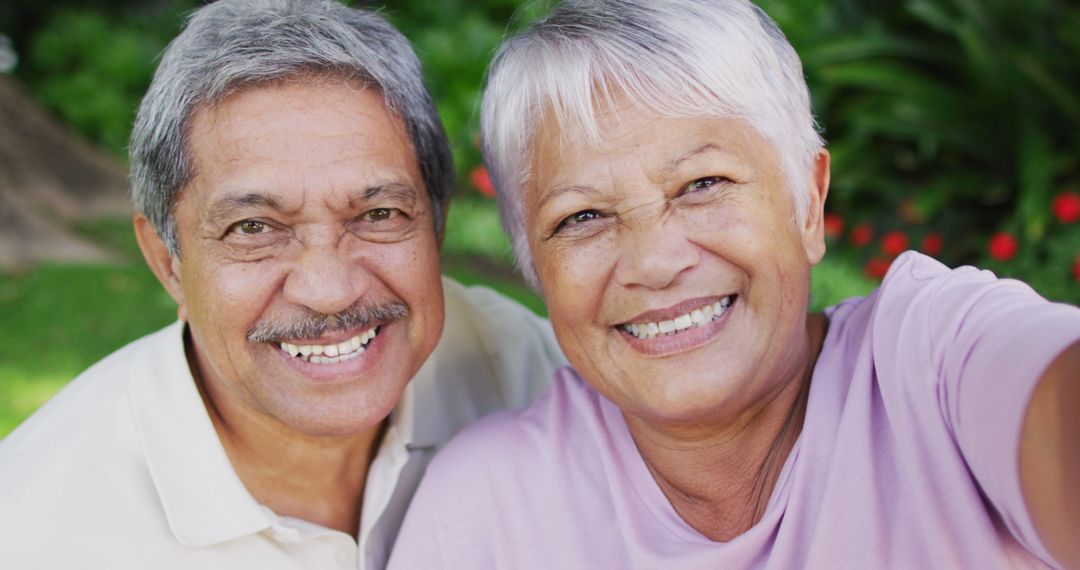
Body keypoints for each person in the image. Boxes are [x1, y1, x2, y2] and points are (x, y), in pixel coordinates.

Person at [388, 0, 1080, 568]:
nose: (654, 261)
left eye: (702, 184)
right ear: (535, 266)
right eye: (583, 217)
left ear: (807, 202)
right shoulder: (489, 511)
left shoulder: (934, 367)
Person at [0, 1, 565, 568]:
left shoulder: (526, 371)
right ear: (167, 262)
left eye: (379, 214)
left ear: (436, 223)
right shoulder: (36, 530)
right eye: (253, 228)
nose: (330, 290)